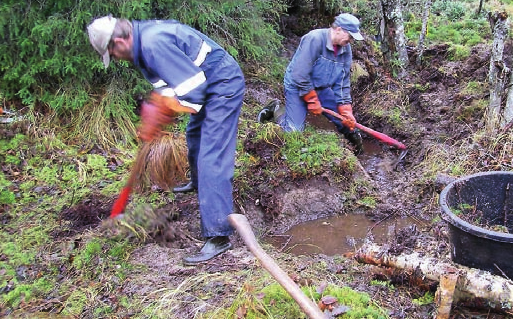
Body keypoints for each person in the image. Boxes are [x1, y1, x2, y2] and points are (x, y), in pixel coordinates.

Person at [87, 15, 244, 265]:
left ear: (118, 42)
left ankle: (218, 236)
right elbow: (167, 82)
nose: (116, 59)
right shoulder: (140, 43)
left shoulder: (151, 43)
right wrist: (157, 111)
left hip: (222, 84)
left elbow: (193, 89)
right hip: (207, 82)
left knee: (211, 155)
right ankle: (198, 182)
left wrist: (165, 108)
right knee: (195, 134)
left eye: (112, 54)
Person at [257, 13, 364, 155]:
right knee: (293, 133)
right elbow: (299, 73)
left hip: (321, 88)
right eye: (350, 36)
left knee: (347, 124)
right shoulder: (314, 39)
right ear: (338, 29)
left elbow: (343, 82)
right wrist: (312, 99)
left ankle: (358, 153)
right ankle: (276, 108)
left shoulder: (346, 50)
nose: (351, 40)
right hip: (297, 86)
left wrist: (345, 109)